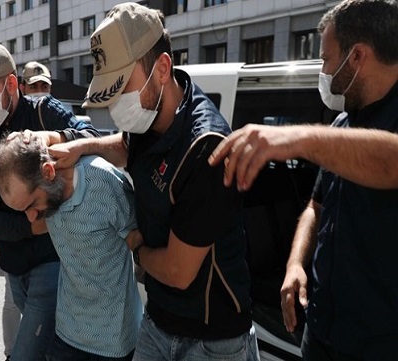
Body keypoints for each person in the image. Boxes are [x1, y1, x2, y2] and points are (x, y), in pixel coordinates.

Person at [40, 3, 259, 360]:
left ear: (161, 68)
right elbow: (126, 147)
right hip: (159, 320)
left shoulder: (206, 149)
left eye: (122, 86)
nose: (115, 105)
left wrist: (135, 246)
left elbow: (177, 271)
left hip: (211, 339)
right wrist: (80, 144)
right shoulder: (149, 116)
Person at [209, 0, 398, 359]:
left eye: (326, 60)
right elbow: (316, 205)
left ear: (357, 56)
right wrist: (296, 262)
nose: (323, 70)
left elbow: (391, 161)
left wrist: (298, 139)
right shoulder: (344, 122)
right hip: (321, 330)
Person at [0, 41, 99, 361]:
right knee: (48, 346)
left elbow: (91, 137)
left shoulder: (43, 111)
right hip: (12, 266)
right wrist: (34, 226)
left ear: (11, 83)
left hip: (54, 260)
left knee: (26, 352)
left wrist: (56, 138)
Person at [0, 132, 143, 361]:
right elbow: (33, 149)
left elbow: (138, 241)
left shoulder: (102, 180)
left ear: (49, 173)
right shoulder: (47, 190)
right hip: (67, 332)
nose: (32, 218)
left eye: (32, 205)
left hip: (114, 338)